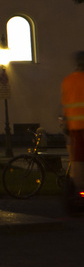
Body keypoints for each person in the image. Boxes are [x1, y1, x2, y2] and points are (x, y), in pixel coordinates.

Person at [63, 51, 84, 201]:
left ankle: (79, 192)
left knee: (77, 163)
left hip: (74, 130)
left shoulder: (67, 81)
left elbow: (66, 106)